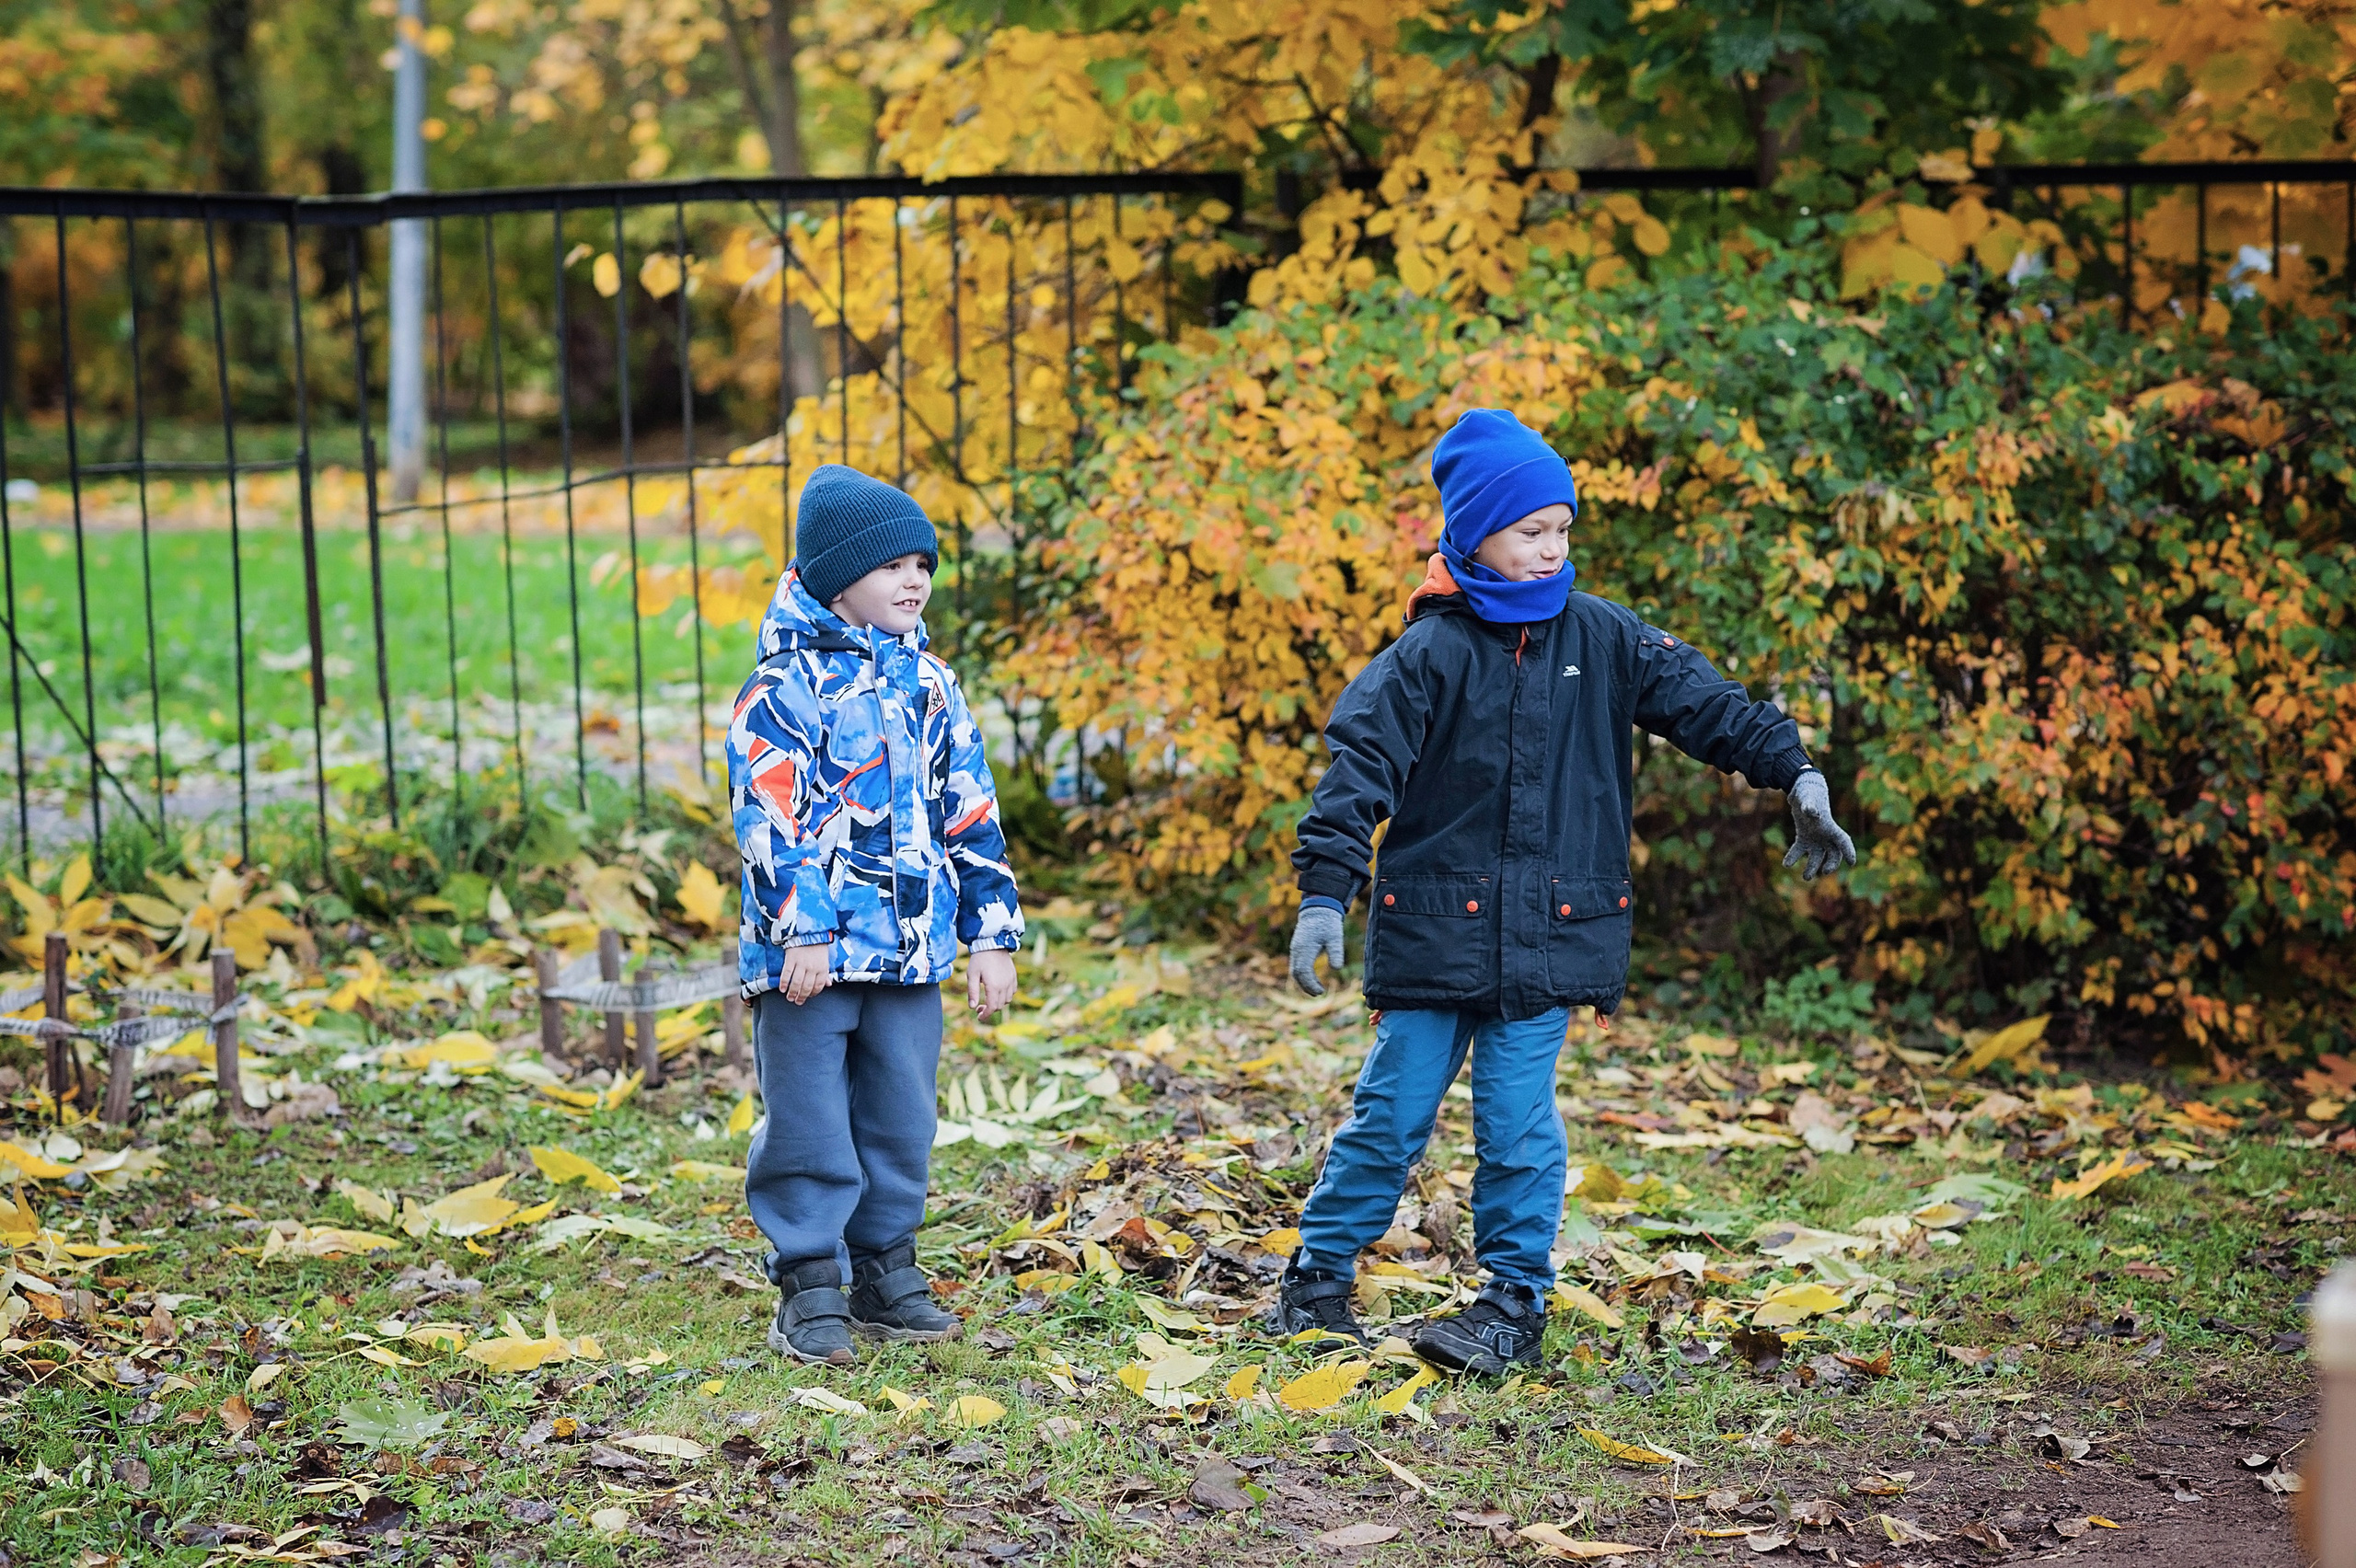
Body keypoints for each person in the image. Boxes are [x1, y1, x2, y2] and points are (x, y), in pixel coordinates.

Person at [1271, 409, 1856, 1374]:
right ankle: (1318, 1279)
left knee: (1517, 1127)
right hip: (1431, 933)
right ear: (1471, 535)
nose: (1551, 551)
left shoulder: (1603, 636)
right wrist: (1324, 895)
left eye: (1562, 531)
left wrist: (1793, 771)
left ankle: (1510, 1308)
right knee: (1390, 1116)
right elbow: (1356, 770)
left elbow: (1706, 704)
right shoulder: (1430, 652)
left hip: (1550, 937)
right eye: (1528, 532)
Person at [727, 464, 1024, 1366]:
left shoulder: (930, 685)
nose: (914, 580)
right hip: (807, 961)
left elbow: (969, 810)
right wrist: (801, 928)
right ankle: (809, 1276)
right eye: (890, 563)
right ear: (833, 576)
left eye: (922, 564)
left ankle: (885, 1267)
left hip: (909, 952)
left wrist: (989, 933)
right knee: (810, 1117)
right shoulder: (782, 687)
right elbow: (768, 814)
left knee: (901, 1116)